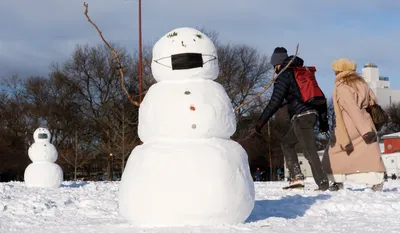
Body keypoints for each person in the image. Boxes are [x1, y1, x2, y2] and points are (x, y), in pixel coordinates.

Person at [256, 47, 329, 190]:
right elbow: (320, 97)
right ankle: (296, 177)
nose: (274, 70)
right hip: (311, 114)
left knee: (309, 150)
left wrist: (261, 122)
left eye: (274, 67)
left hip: (301, 117)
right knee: (287, 143)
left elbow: (274, 102)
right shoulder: (303, 72)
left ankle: (323, 183)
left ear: (278, 64)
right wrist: (323, 122)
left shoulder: (284, 75)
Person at [321, 58, 386, 191]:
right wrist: (368, 127)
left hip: (349, 124)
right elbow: (373, 100)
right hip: (366, 120)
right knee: (370, 152)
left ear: (339, 71)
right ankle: (376, 179)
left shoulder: (342, 86)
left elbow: (352, 108)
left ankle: (337, 180)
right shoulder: (362, 83)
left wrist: (364, 130)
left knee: (335, 152)